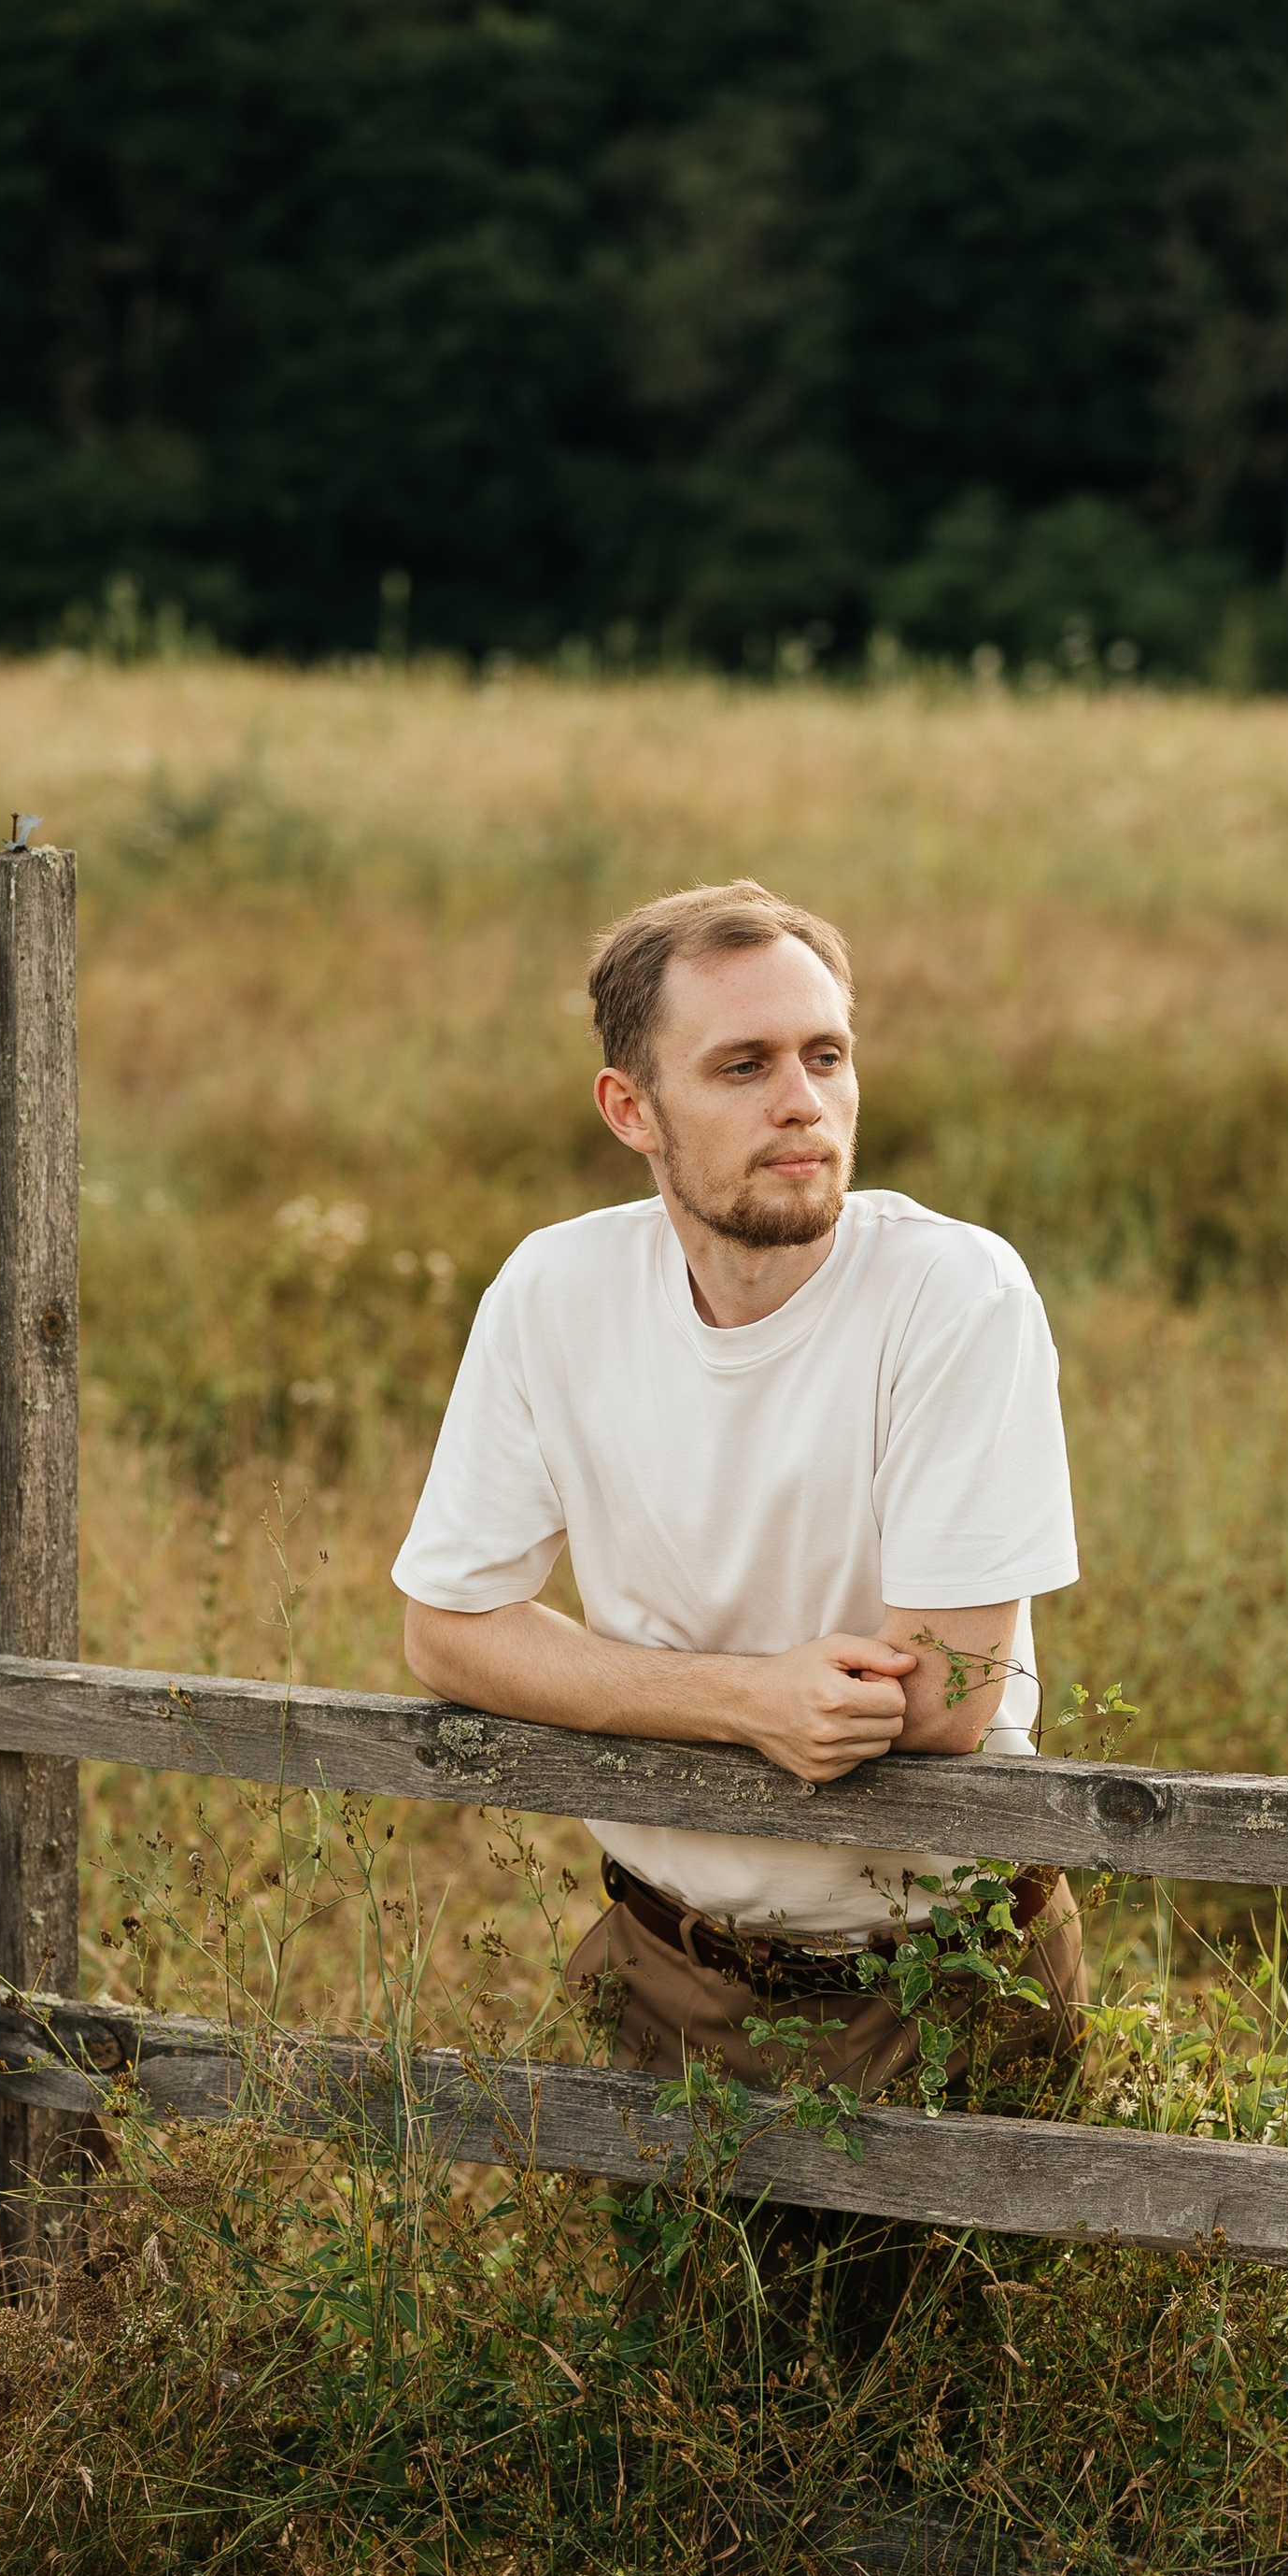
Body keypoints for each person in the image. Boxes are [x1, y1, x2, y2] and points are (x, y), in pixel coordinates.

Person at [392, 876, 1083, 2108]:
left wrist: (624, 1682)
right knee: (677, 2310)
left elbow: (942, 1702)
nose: (803, 1102)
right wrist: (747, 1698)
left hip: (945, 1977)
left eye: (827, 1055)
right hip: (667, 1974)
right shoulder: (557, 1294)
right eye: (743, 1066)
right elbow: (447, 1627)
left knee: (969, 2311)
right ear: (631, 1108)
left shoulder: (954, 1294)